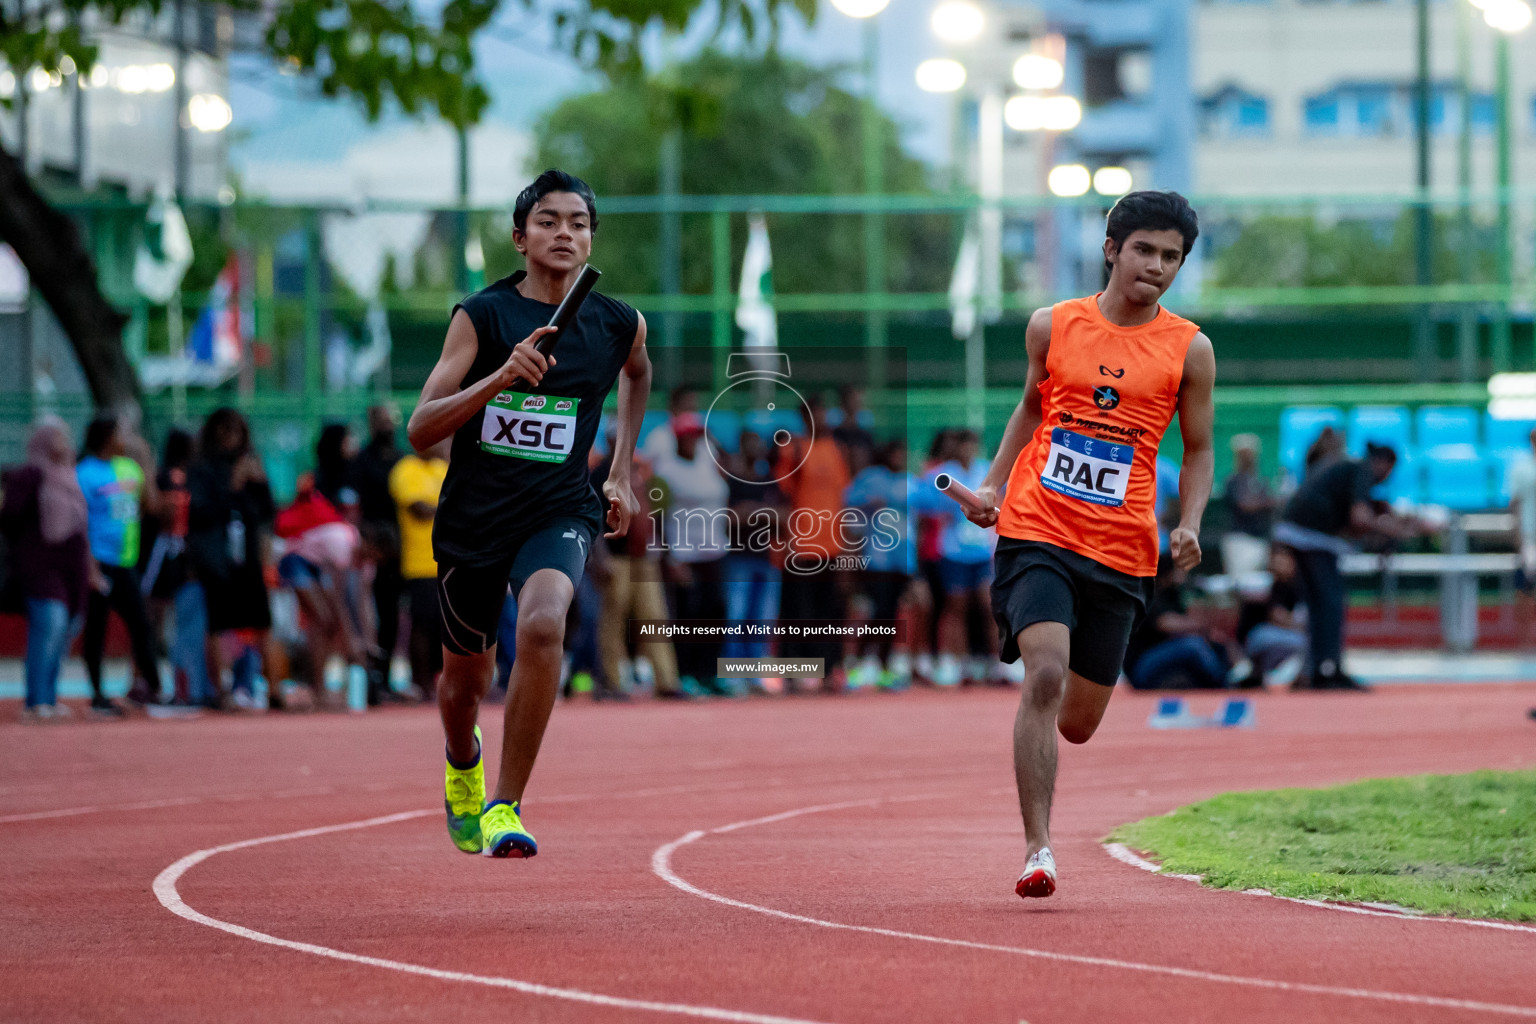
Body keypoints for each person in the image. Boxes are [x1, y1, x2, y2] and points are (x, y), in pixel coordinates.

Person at [966, 191, 1216, 900]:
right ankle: (1037, 850)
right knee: (1044, 676)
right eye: (1145, 250)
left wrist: (1189, 520)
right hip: (1038, 526)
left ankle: (1047, 778)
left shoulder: (1189, 349)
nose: (1157, 266)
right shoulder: (1052, 326)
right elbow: (1031, 407)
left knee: (1076, 722)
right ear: (1112, 249)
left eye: (1172, 257)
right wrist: (992, 485)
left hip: (1123, 549)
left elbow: (1199, 450)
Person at [407, 169, 650, 859]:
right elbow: (421, 427)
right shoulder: (480, 316)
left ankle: (504, 806)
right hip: (473, 521)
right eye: (548, 221)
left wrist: (621, 471)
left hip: (559, 507)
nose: (565, 232)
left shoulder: (617, 322)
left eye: (578, 221)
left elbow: (639, 372)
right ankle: (462, 762)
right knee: (465, 684)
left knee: (544, 623)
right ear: (520, 238)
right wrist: (501, 377)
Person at [1274, 442, 1417, 690]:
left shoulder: (1347, 470)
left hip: (1298, 531)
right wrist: (1396, 530)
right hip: (1312, 537)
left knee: (1318, 606)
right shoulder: (1361, 471)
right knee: (1330, 603)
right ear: (1383, 463)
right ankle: (1328, 670)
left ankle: (1314, 671)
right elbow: (1359, 518)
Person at [2, 418, 91, 721]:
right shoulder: (28, 475)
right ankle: (35, 700)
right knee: (49, 625)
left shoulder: (70, 475)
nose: (63, 443)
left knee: (65, 629)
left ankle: (49, 698)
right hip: (38, 565)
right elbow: (10, 518)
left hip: (70, 567)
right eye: (56, 437)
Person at [187, 408, 276, 710]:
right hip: (218, 559)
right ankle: (222, 688)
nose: (231, 438)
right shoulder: (202, 469)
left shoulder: (249, 464)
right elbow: (200, 512)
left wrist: (260, 482)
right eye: (225, 431)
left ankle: (256, 683)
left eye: (237, 431)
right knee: (220, 622)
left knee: (259, 619)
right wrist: (233, 486)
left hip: (247, 557)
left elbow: (266, 512)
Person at [77, 414, 165, 714]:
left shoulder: (128, 468)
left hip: (126, 562)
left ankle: (154, 687)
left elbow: (150, 506)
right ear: (106, 437)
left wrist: (146, 463)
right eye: (119, 434)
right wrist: (89, 566)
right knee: (96, 629)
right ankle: (98, 694)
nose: (124, 440)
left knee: (141, 624)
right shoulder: (85, 473)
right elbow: (81, 521)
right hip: (98, 561)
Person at [775, 393, 852, 692]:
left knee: (829, 613)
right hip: (799, 547)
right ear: (805, 418)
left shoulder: (836, 450)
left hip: (831, 547)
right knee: (797, 613)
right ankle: (793, 673)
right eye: (815, 414)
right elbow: (782, 495)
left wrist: (846, 544)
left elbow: (841, 501)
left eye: (823, 413)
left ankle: (829, 670)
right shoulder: (793, 449)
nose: (821, 419)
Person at [651, 410, 731, 695]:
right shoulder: (666, 471)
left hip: (714, 552)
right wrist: (668, 557)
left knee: (716, 613)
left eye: (696, 435)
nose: (692, 441)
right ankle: (685, 674)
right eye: (687, 436)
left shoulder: (709, 462)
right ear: (676, 438)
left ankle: (711, 674)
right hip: (684, 554)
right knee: (688, 617)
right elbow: (656, 518)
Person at [916, 428, 998, 686]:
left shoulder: (987, 470)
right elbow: (923, 501)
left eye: (972, 445)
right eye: (964, 445)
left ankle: (997, 664)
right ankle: (959, 664)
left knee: (989, 606)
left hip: (982, 552)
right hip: (953, 552)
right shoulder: (943, 473)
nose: (968, 451)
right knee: (956, 609)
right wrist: (948, 505)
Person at [142, 428, 210, 710]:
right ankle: (154, 682)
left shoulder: (178, 477)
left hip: (177, 555)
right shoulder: (176, 477)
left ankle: (158, 683)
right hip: (171, 553)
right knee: (157, 619)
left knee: (163, 621)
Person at [352, 405, 405, 702]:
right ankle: (369, 680)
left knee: (391, 614)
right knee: (367, 612)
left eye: (391, 421)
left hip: (398, 549)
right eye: (382, 421)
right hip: (371, 549)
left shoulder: (401, 459)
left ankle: (383, 679)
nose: (388, 426)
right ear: (372, 424)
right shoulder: (361, 462)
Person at [390, 438, 450, 700]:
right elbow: (419, 509)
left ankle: (439, 679)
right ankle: (421, 681)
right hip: (419, 563)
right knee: (422, 625)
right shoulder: (405, 469)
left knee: (445, 626)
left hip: (448, 560)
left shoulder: (443, 468)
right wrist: (451, 507)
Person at [1123, 555, 1232, 690]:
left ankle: (1231, 677)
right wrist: (1199, 624)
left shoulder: (1174, 594)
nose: (1184, 573)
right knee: (1193, 646)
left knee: (1215, 643)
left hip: (1162, 658)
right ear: (1168, 572)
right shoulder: (1148, 593)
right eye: (1179, 569)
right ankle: (1224, 684)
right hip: (1141, 664)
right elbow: (1164, 623)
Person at [1235, 544, 1306, 687]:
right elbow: (1277, 616)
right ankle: (1277, 675)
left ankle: (1270, 675)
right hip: (1258, 638)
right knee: (1305, 643)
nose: (1279, 564)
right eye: (1276, 560)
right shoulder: (1265, 583)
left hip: (1270, 639)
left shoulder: (1297, 586)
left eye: (1283, 559)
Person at [1221, 433, 1276, 577]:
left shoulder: (1260, 481)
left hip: (1261, 540)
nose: (1248, 457)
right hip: (1240, 541)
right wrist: (1267, 502)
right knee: (1241, 583)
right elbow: (1245, 504)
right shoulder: (1232, 481)